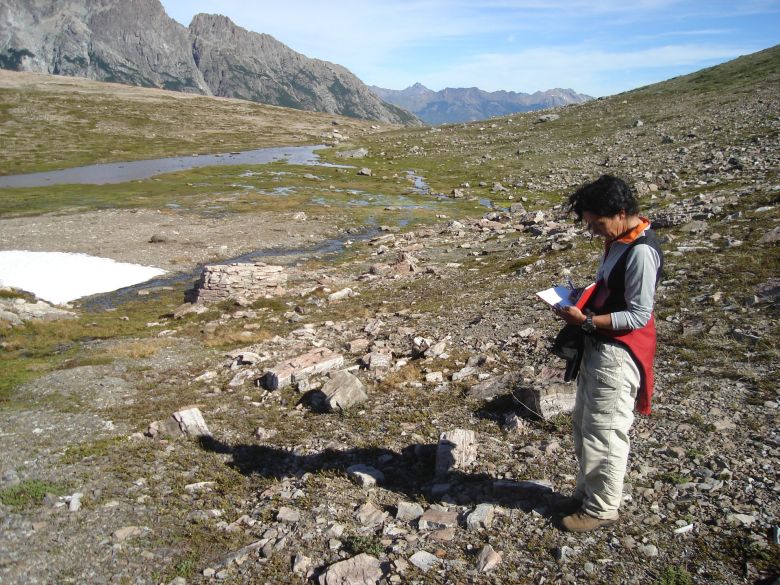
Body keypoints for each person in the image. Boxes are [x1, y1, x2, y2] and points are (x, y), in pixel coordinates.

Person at [552, 174, 664, 532]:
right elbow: (610, 289)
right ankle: (588, 493)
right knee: (586, 422)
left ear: (619, 212)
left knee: (606, 428)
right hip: (600, 347)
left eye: (597, 224)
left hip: (618, 353)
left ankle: (601, 508)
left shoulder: (641, 252)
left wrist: (585, 319)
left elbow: (638, 314)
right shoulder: (620, 240)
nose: (594, 232)